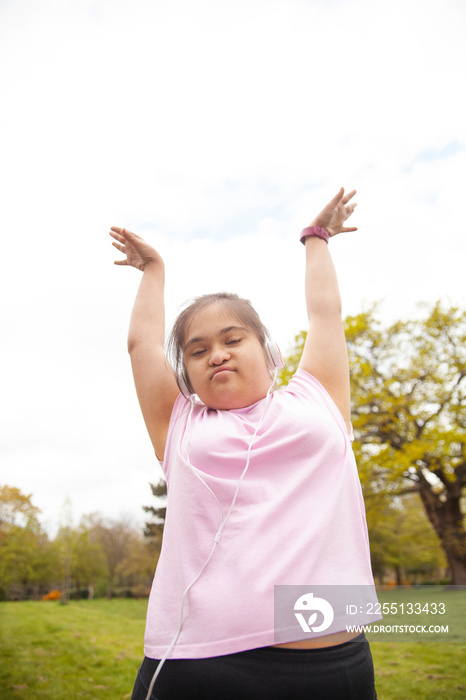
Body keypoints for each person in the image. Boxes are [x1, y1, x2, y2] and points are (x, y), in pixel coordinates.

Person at [109, 188, 379, 700]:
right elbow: (142, 345)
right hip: (202, 664)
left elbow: (326, 315)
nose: (217, 355)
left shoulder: (318, 397)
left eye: (233, 340)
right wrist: (153, 271)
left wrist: (316, 238)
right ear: (185, 371)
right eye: (198, 350)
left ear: (267, 349)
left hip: (331, 665)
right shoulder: (181, 424)